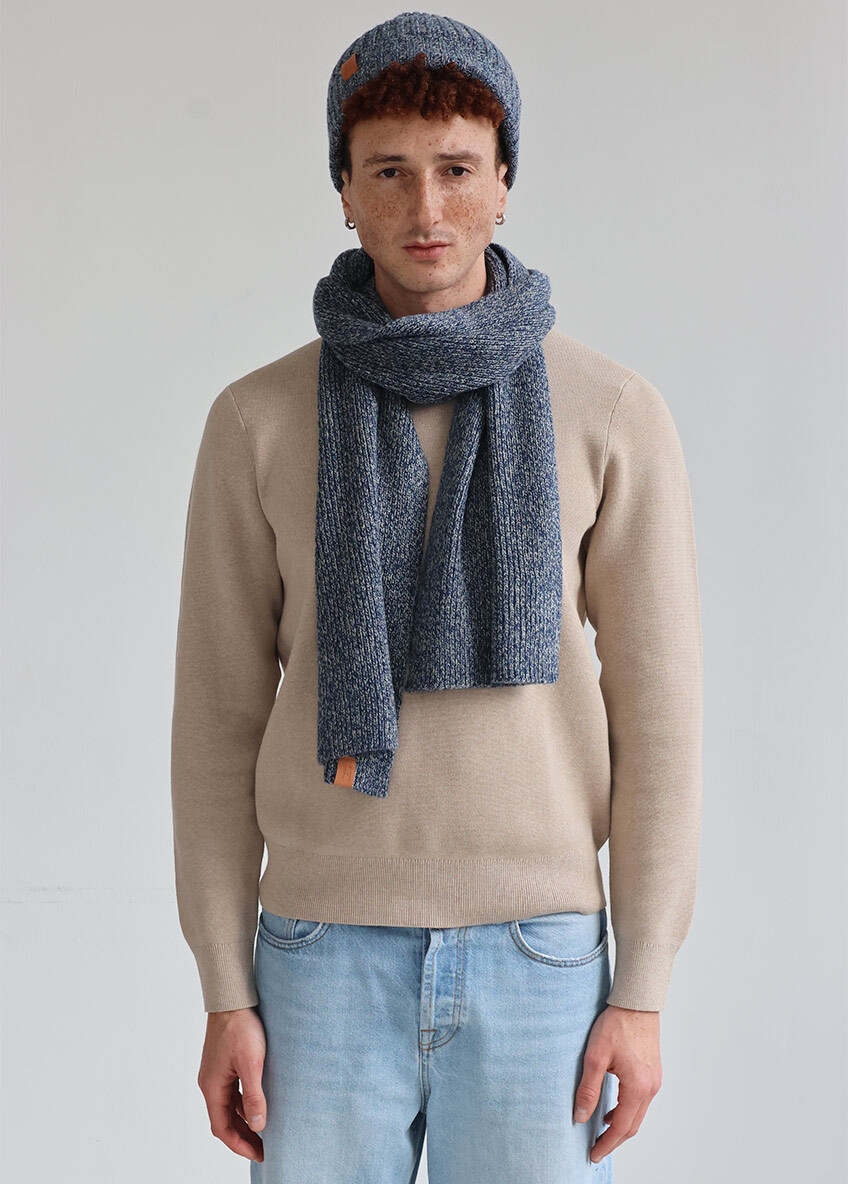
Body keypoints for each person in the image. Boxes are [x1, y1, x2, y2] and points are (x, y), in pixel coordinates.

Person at [170, 11, 703, 1182]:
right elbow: (216, 720)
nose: (426, 207)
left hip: (541, 958)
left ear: (503, 182)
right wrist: (223, 987)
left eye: (457, 168)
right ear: (343, 192)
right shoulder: (257, 419)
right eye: (388, 171)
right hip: (315, 956)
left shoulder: (611, 413)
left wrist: (643, 987)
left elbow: (659, 721)